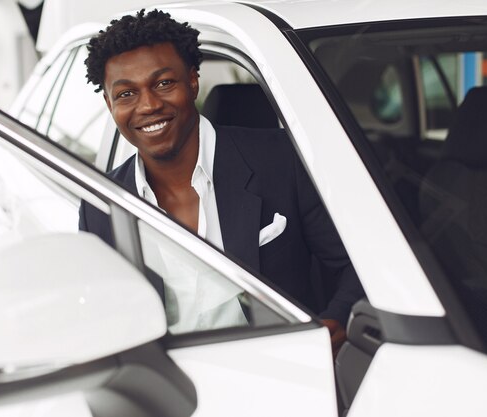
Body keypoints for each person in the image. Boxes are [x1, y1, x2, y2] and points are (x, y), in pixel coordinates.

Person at [78, 9, 364, 354]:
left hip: (285, 374)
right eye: (126, 94)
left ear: (193, 81)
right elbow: (103, 320)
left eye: (164, 83)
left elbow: (357, 264)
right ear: (109, 104)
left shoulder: (281, 160)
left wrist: (334, 325)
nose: (149, 105)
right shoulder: (101, 205)